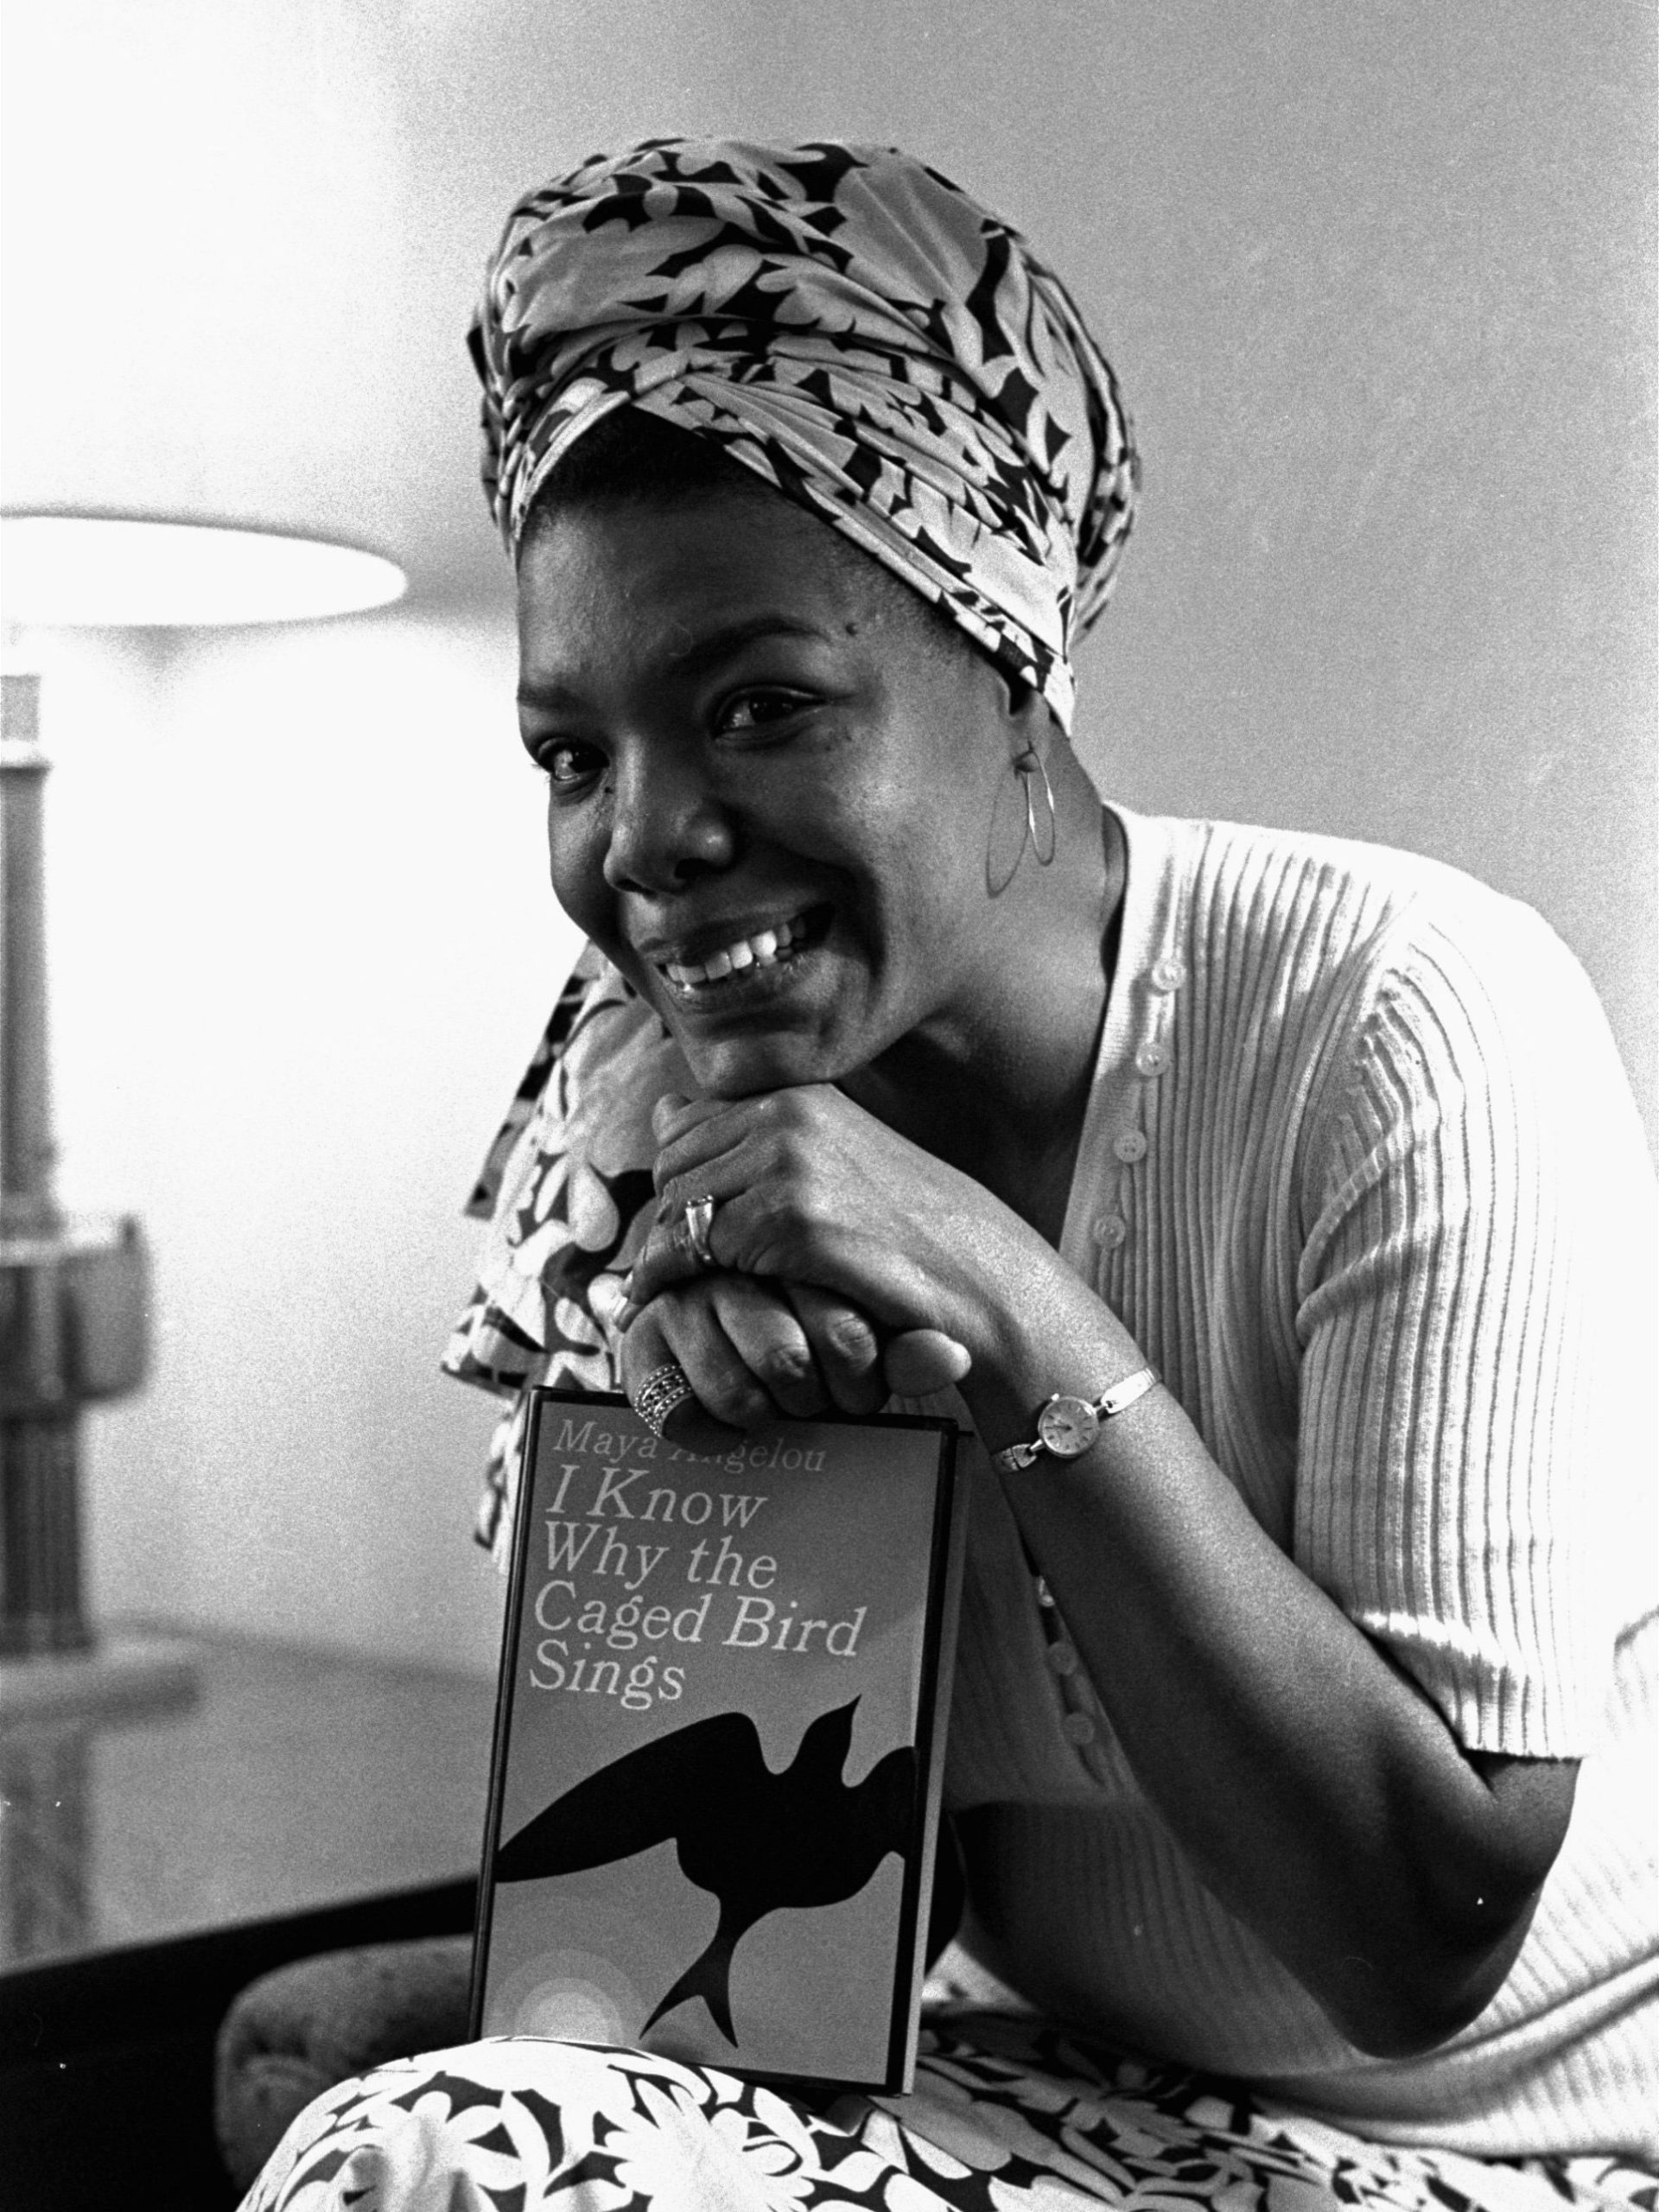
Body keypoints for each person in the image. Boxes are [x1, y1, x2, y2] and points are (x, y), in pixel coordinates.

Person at [241, 138, 1657, 2210]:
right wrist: (751, 1471)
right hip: (1037, 2074)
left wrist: (1004, 1307)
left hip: (1513, 2144)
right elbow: (749, 1984)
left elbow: (1417, 1938)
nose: (643, 840)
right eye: (572, 751)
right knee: (436, 2144)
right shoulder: (676, 1115)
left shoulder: (1402, 1020)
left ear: (1016, 677)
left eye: (759, 707)